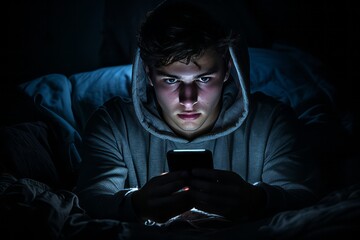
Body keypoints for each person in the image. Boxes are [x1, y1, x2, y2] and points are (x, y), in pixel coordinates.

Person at [75, 0, 319, 225]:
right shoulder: (112, 124)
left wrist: (256, 200)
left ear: (227, 69)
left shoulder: (272, 122)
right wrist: (136, 205)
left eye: (204, 78)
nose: (188, 100)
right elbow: (90, 200)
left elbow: (306, 197)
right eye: (171, 80)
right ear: (149, 74)